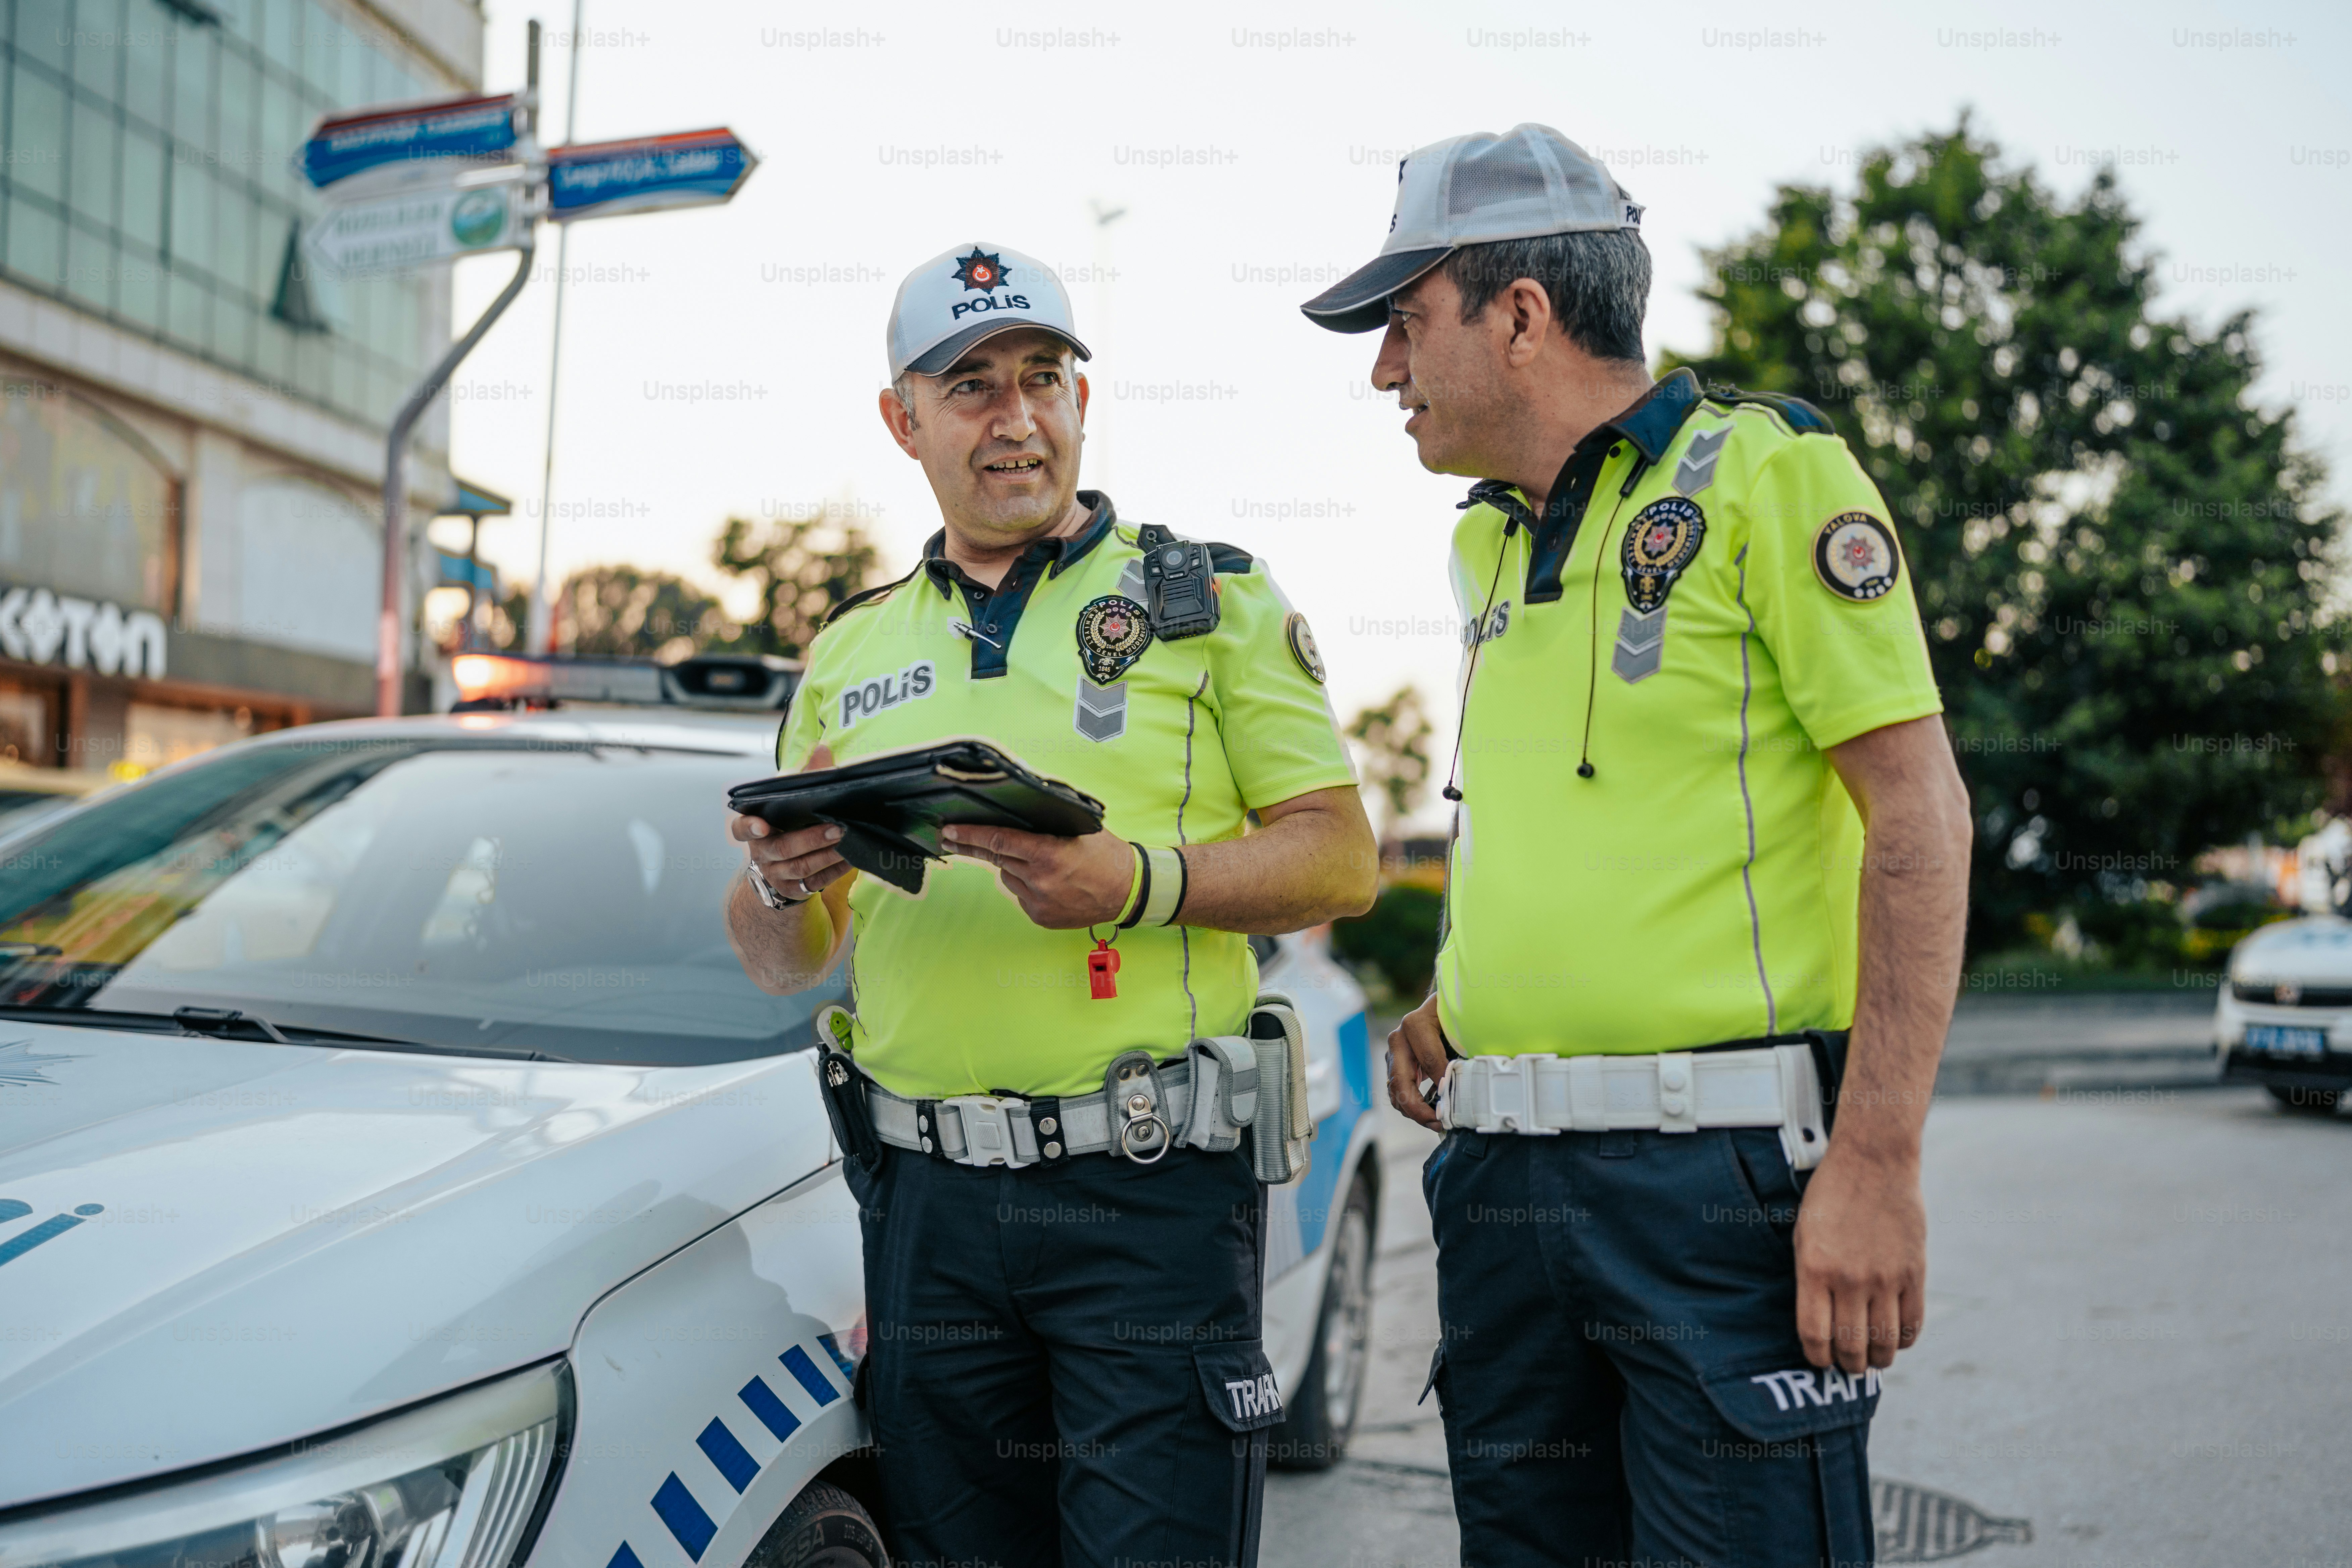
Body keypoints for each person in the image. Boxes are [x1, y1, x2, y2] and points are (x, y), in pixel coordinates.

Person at [1298, 126, 1973, 1566]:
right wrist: (1468, 1000)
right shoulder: (1484, 541)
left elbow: (1919, 816)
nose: (1385, 371)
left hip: (1717, 1186)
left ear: (1520, 316)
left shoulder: (1771, 475)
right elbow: (1564, 810)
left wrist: (1877, 1157)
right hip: (1501, 1187)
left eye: (1405, 323)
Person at [726, 240, 1377, 1568]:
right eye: (971, 386)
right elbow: (785, 962)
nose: (1015, 417)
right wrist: (776, 879)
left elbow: (1340, 859)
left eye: (1042, 377)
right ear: (903, 420)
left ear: (1084, 396)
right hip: (926, 1207)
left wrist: (1133, 882)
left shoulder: (1207, 598)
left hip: (1148, 1195)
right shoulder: (848, 646)